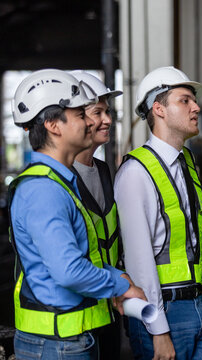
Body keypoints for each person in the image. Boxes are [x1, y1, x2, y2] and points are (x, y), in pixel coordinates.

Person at [8, 69, 146, 359]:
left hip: (69, 338)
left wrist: (116, 274)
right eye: (81, 115)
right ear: (53, 125)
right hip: (57, 343)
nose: (91, 122)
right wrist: (120, 285)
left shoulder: (59, 183)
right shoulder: (44, 190)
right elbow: (68, 271)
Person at [114, 66, 202, 360]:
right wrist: (158, 329)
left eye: (194, 100)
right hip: (165, 310)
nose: (195, 107)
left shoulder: (187, 162)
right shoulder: (135, 172)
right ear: (159, 109)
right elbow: (139, 260)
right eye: (184, 100)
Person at [70, 70, 124, 360]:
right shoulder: (59, 179)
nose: (108, 120)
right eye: (98, 112)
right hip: (76, 323)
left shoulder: (104, 171)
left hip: (108, 316)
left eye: (108, 111)